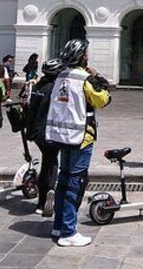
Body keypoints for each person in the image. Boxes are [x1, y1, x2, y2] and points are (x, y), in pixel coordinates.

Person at [46, 39, 111, 247]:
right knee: (75, 182)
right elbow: (103, 100)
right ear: (83, 56)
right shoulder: (84, 79)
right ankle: (68, 232)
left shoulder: (61, 76)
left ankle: (58, 226)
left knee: (63, 181)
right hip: (82, 138)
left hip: (62, 136)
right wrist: (97, 77)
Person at [24, 57, 64, 217]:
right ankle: (49, 191)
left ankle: (43, 199)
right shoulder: (55, 89)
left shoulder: (38, 86)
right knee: (51, 163)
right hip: (48, 132)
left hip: (35, 132)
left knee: (47, 162)